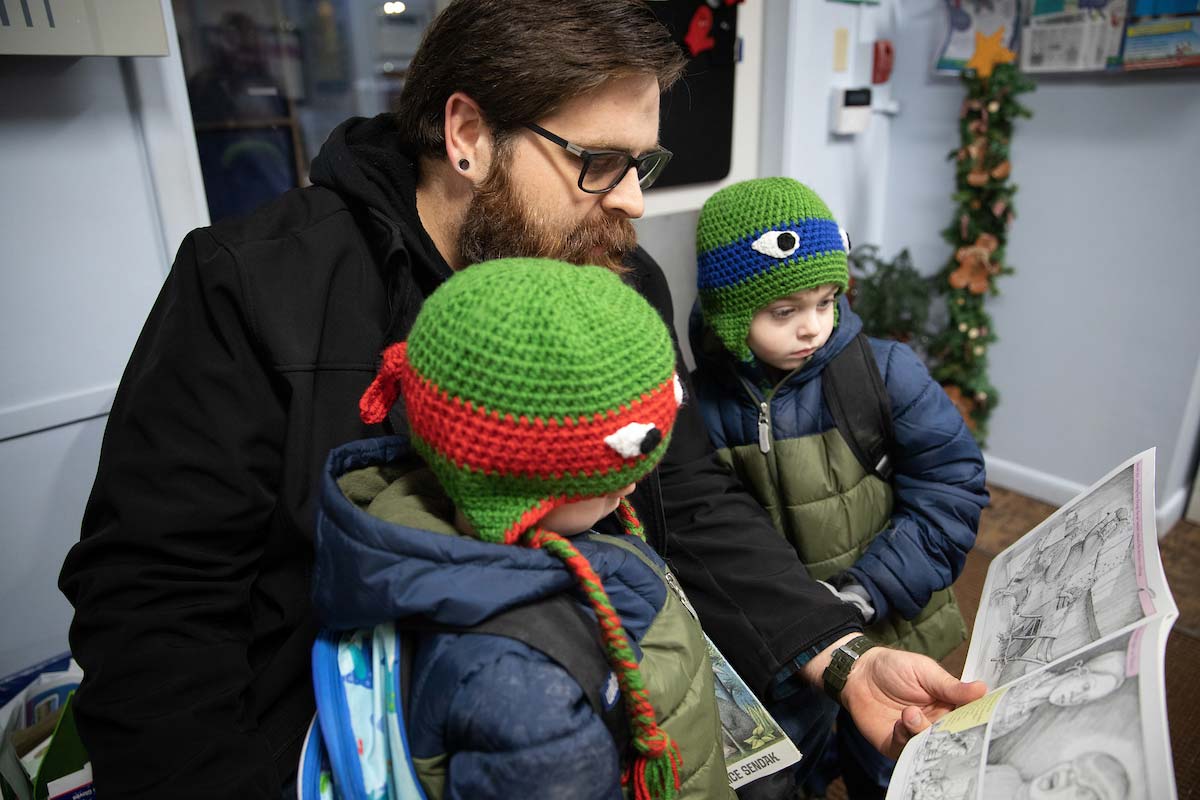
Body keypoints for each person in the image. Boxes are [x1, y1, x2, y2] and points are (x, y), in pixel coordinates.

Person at [58, 3, 986, 797]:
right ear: (467, 135)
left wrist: (844, 657)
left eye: (641, 166)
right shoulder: (253, 287)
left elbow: (686, 501)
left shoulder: (615, 285)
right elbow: (155, 609)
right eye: (598, 161)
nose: (629, 203)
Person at [313, 258, 730, 798]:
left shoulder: (431, 540)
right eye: (616, 472)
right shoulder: (522, 689)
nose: (630, 489)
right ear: (518, 481)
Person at [688, 178, 989, 798]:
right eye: (784, 311)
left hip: (890, 627)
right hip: (784, 653)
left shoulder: (883, 373)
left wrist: (866, 591)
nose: (813, 328)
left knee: (896, 768)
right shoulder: (698, 403)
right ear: (729, 312)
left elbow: (951, 493)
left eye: (826, 302)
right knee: (795, 775)